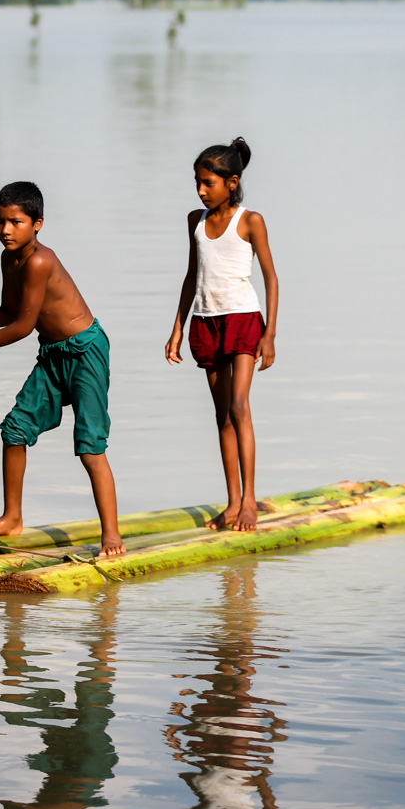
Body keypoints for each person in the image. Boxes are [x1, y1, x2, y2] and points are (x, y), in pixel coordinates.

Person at [0, 181, 124, 558]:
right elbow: (12, 311)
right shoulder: (9, 260)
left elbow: (24, 327)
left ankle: (111, 536)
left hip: (86, 351)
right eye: (0, 221)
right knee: (15, 429)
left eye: (15, 222)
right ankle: (12, 517)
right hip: (53, 353)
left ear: (37, 224)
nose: (5, 230)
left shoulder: (41, 260)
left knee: (90, 448)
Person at [165, 138, 278, 532]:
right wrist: (177, 329)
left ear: (231, 182)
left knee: (239, 407)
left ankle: (250, 503)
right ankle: (232, 503)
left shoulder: (250, 221)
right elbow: (191, 275)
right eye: (197, 182)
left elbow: (271, 277)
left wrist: (270, 335)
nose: (200, 189)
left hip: (244, 319)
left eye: (207, 183)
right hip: (206, 321)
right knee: (221, 414)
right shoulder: (194, 220)